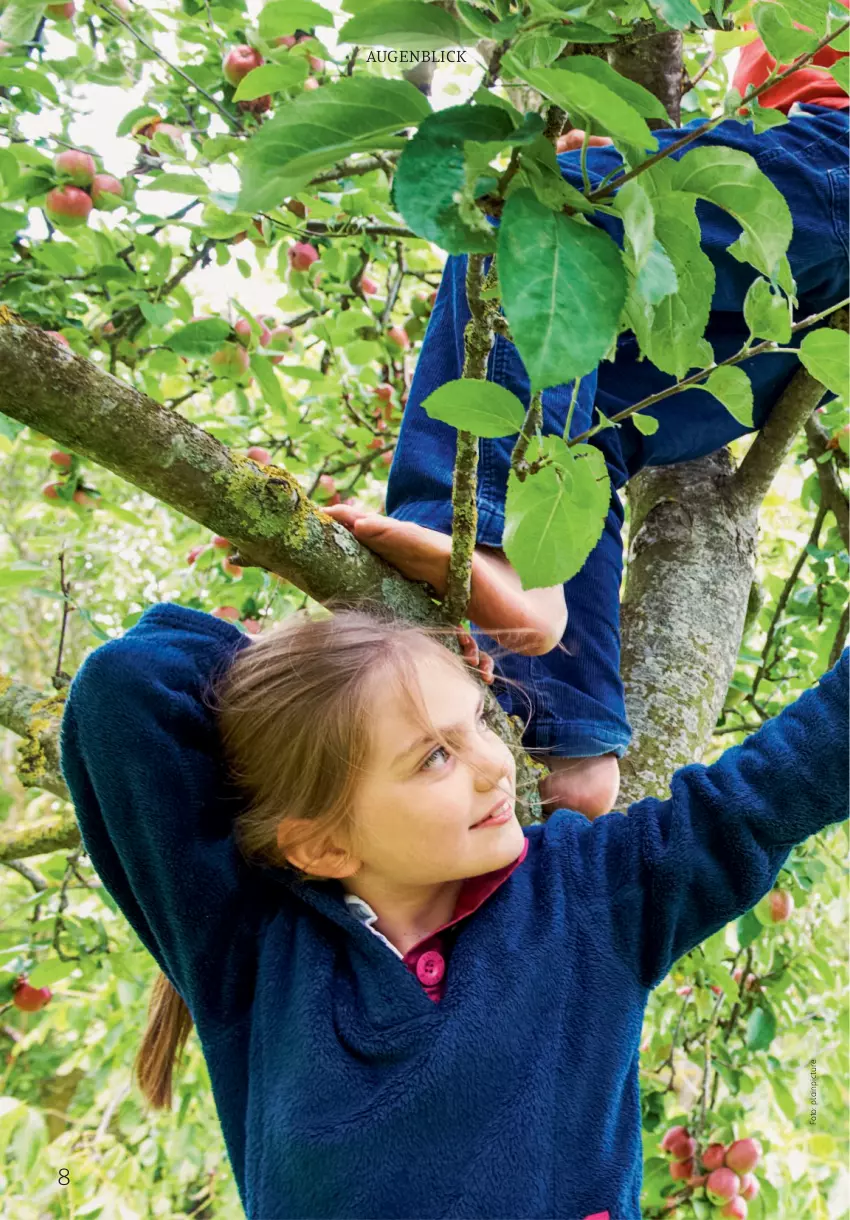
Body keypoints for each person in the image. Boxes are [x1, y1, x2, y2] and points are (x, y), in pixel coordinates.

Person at [59, 599, 848, 1219]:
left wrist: (383, 675)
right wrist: (328, 683)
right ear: (324, 846)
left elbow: (756, 798)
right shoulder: (255, 957)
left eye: (476, 717)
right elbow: (124, 691)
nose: (494, 765)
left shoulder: (588, 895)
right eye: (433, 755)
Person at [325, 24, 850, 820]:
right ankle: (569, 735)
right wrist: (644, 172)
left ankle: (483, 543)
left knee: (541, 208)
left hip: (834, 164)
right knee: (582, 407)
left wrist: (594, 180)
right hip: (810, 284)